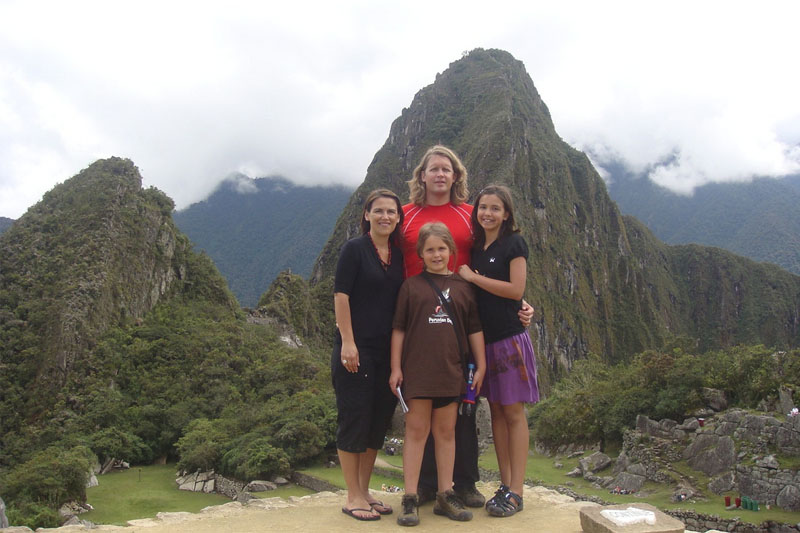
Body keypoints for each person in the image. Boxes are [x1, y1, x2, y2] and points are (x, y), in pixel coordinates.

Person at [399, 145, 533, 508]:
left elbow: (495, 263)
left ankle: (465, 481)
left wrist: (519, 303)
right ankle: (426, 486)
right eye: (433, 169)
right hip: (417, 319)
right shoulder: (405, 216)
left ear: (456, 175)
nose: (440, 175)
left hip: (462, 319)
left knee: (462, 404)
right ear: (422, 175)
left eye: (447, 169)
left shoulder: (472, 215)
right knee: (423, 406)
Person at [389, 222, 487, 526]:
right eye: (430, 249)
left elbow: (474, 330)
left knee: (446, 433)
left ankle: (446, 493)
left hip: (450, 371)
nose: (436, 254)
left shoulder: (463, 288)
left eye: (441, 248)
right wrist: (396, 367)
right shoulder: (411, 287)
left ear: (451, 251)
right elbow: (399, 329)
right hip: (417, 372)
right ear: (420, 253)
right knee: (416, 433)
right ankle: (409, 497)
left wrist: (481, 364)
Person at [458, 184, 539, 517]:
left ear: (506, 213)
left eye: (495, 208)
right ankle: (505, 484)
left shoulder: (513, 244)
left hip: (508, 339)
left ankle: (517, 490)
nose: (487, 213)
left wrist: (473, 278)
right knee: (496, 414)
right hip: (485, 342)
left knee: (513, 413)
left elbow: (515, 289)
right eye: (482, 207)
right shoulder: (478, 247)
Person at [332, 189, 405, 521]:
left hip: (385, 352)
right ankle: (352, 496)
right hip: (356, 351)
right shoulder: (354, 249)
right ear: (366, 215)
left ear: (398, 217)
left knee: (377, 422)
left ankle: (364, 490)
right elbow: (341, 296)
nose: (385, 216)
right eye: (379, 211)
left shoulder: (398, 254)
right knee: (354, 419)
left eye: (391, 211)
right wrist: (348, 341)